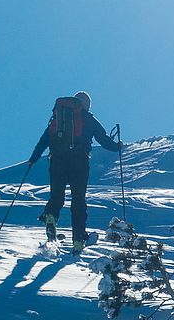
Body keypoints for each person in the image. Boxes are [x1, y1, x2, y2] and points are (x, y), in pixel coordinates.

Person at [28, 91, 122, 253]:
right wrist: (117, 147)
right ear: (86, 105)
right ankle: (78, 238)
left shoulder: (58, 118)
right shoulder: (88, 119)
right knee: (78, 200)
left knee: (57, 195)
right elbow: (104, 140)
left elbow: (44, 140)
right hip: (79, 160)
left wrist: (33, 159)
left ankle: (50, 216)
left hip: (57, 160)